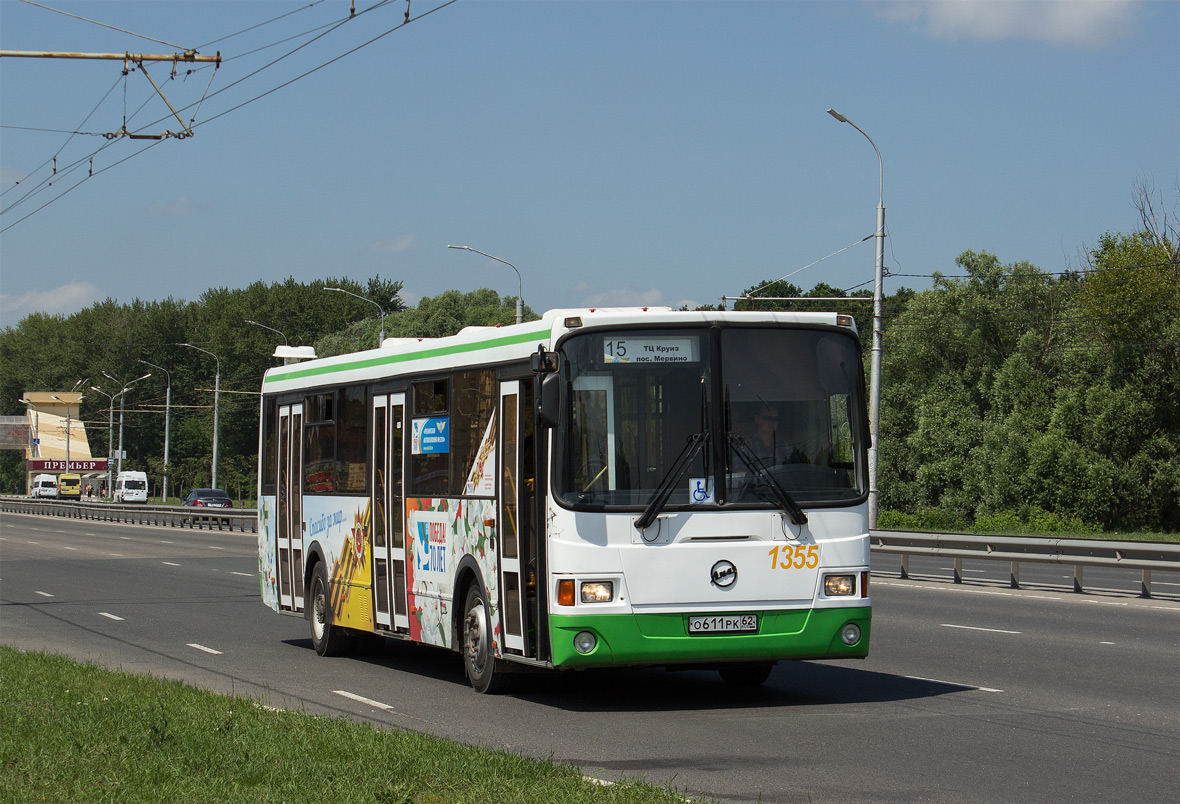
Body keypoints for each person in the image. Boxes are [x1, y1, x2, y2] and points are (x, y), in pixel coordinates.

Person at [736, 403, 801, 466]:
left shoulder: (786, 446)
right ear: (757, 419)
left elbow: (795, 471)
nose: (771, 422)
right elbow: (739, 472)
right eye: (766, 418)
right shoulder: (745, 445)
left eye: (775, 419)